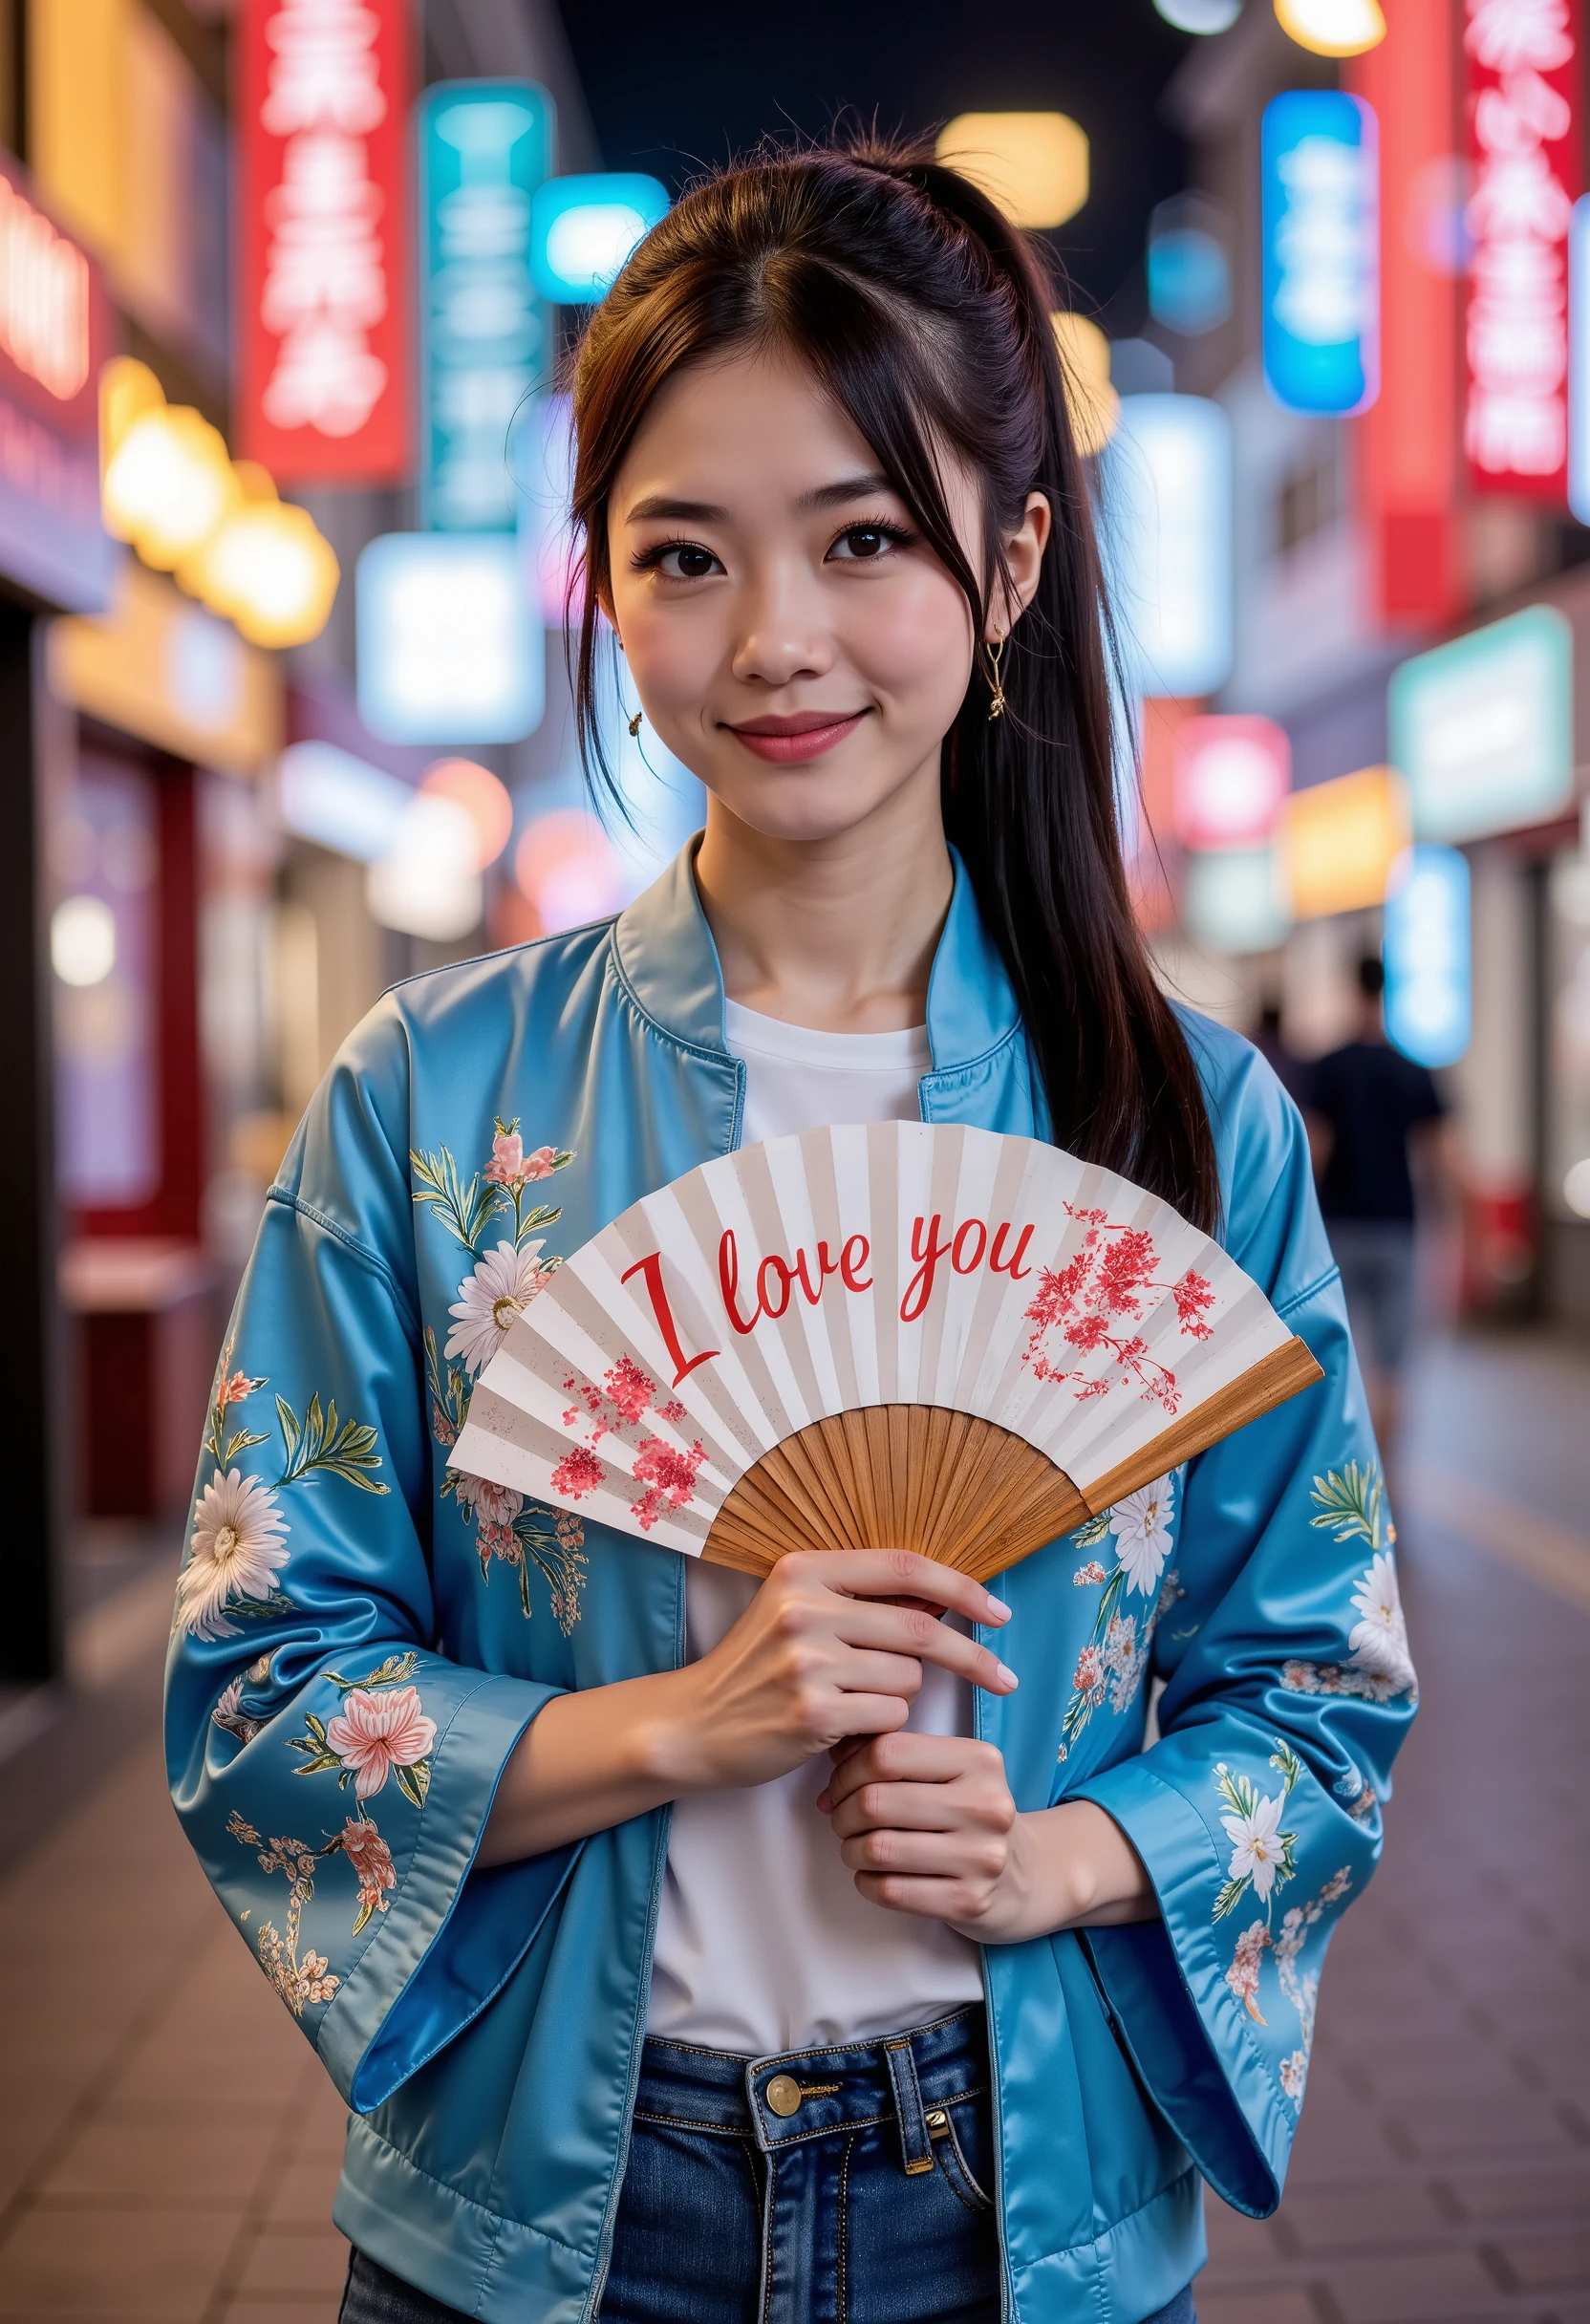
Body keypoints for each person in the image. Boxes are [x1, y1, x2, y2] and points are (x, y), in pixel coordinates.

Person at [165, 142, 1415, 2324]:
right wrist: (679, 1719)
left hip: (1017, 2202)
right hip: (548, 2209)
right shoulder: (429, 1099)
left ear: (1012, 560)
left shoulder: (1182, 1124)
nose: (773, 643)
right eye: (682, 556)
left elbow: (1312, 1685)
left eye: (861, 539)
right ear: (604, 588)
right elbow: (257, 1672)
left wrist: (1055, 1854)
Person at [1305, 957, 1449, 1460]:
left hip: (1339, 1229)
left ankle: (1344, 1464)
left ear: (1352, 987)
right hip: (1396, 1229)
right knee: (1392, 1367)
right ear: (1388, 990)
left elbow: (1315, 1152)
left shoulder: (1329, 1067)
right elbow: (1440, 1159)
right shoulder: (1412, 1069)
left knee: (1337, 1358)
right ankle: (1383, 1475)